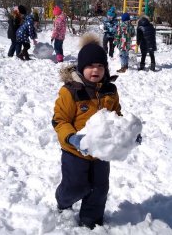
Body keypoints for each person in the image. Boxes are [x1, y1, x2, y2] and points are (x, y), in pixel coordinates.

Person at [52, 33, 121, 229]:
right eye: (91, 66)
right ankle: (63, 200)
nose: (96, 70)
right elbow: (60, 120)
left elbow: (116, 116)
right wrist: (72, 138)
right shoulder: (71, 91)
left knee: (99, 189)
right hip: (75, 152)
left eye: (100, 66)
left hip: (101, 152)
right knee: (76, 187)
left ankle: (91, 221)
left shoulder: (110, 90)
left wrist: (128, 134)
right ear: (82, 68)